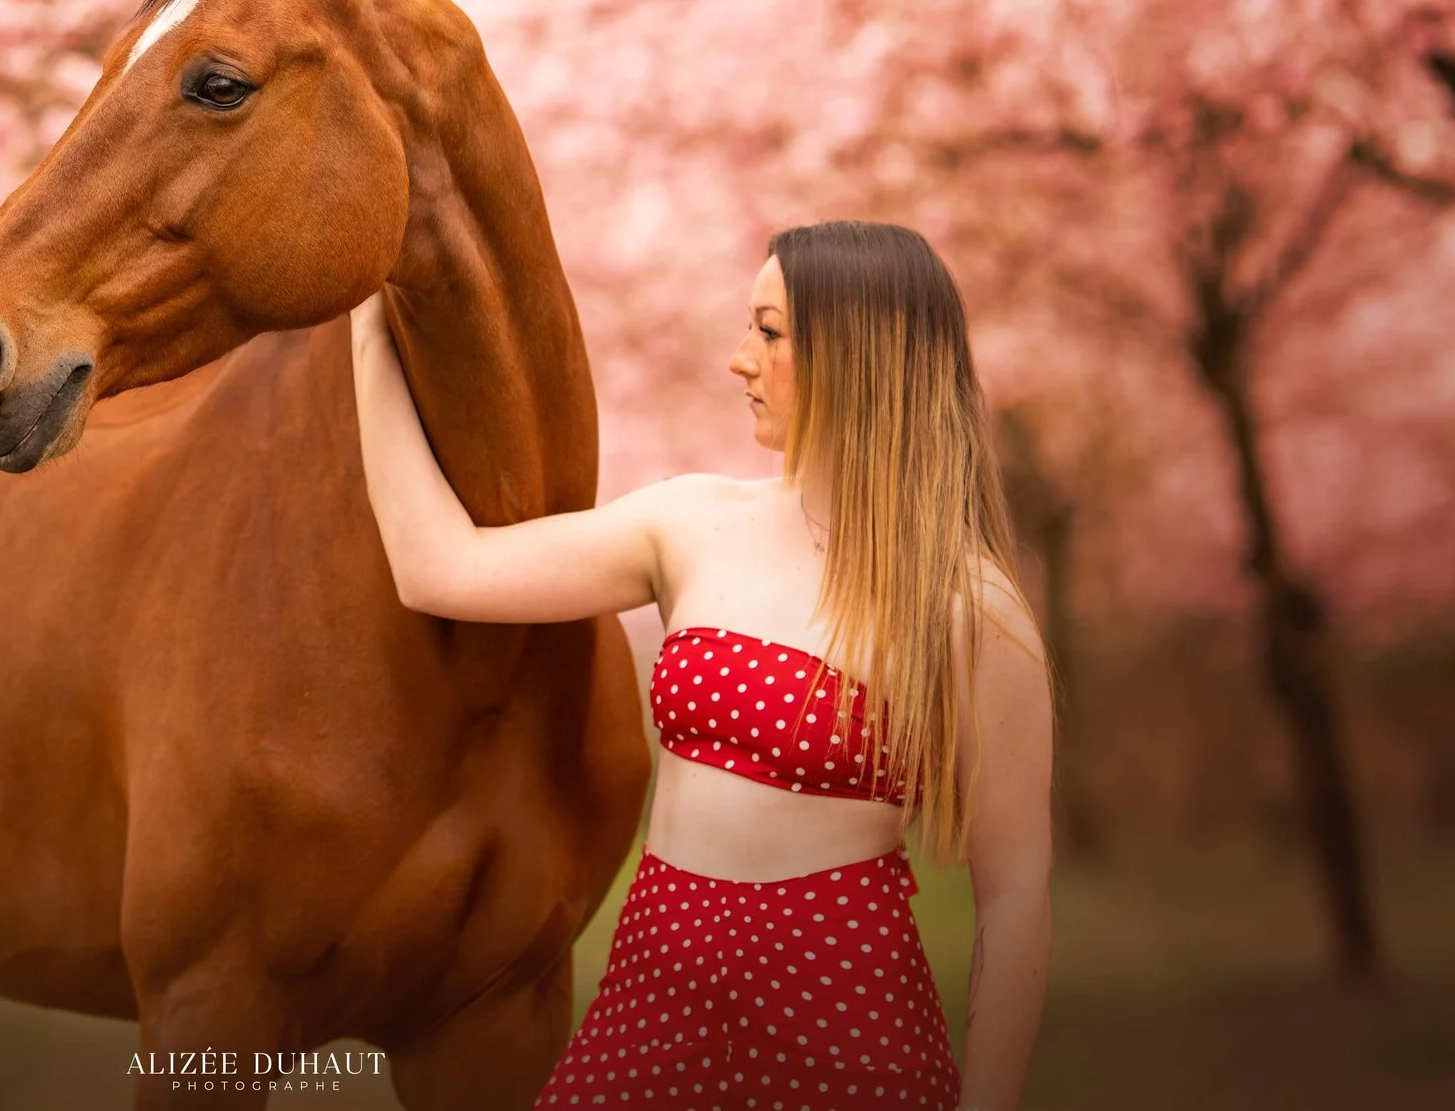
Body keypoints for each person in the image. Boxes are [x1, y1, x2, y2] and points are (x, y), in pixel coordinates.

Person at [349, 219, 1052, 1110]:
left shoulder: (972, 608)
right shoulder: (689, 523)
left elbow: (1017, 897)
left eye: (768, 331)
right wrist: (370, 328)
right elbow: (438, 566)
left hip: (847, 1035)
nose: (737, 359)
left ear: (854, 352)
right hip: (648, 1014)